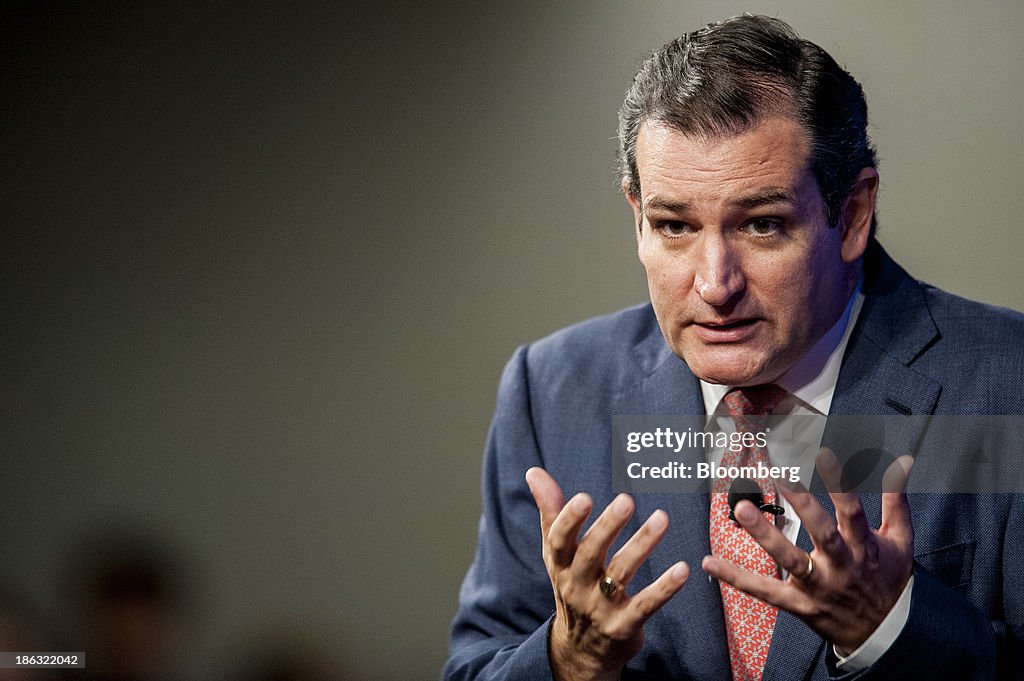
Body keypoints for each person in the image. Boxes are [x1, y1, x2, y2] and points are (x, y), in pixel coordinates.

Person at [443, 15, 1024, 681]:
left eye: (761, 224)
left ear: (854, 213)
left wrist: (893, 629)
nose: (715, 283)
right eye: (674, 225)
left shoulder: (1008, 382)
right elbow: (474, 665)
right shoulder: (552, 392)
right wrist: (568, 658)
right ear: (637, 216)